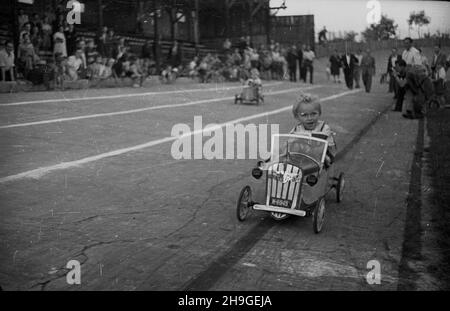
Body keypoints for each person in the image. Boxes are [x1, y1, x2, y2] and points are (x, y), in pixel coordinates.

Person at [290, 93, 336, 167]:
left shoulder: (324, 128)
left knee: (326, 159)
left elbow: (329, 147)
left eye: (313, 114)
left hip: (321, 158)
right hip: (303, 158)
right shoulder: (296, 130)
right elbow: (290, 146)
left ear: (319, 113)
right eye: (304, 115)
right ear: (297, 116)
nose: (309, 118)